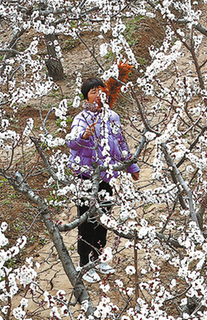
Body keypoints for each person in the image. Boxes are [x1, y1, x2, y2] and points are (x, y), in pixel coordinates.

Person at [66, 77, 140, 283]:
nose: (98, 95)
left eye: (100, 91)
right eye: (92, 92)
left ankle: (98, 258)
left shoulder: (112, 117)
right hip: (85, 176)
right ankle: (84, 263)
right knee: (87, 221)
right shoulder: (82, 119)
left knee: (104, 219)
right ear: (85, 96)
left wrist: (131, 166)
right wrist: (83, 136)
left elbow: (121, 143)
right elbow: (71, 142)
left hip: (106, 176)